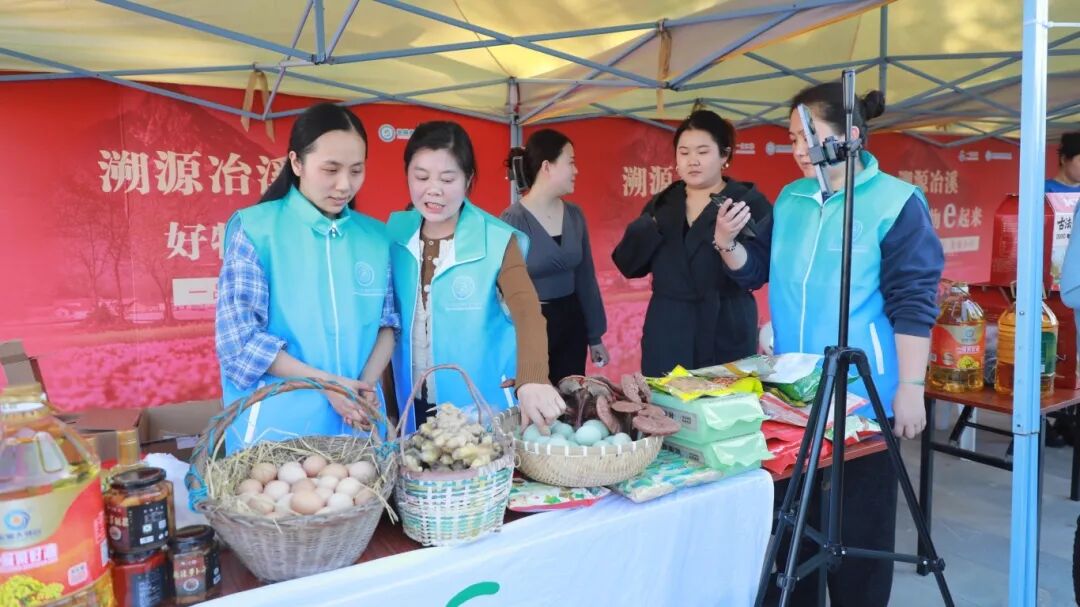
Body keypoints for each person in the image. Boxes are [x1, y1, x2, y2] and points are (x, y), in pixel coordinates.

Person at [719, 83, 944, 606]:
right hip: (794, 392)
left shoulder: (896, 203)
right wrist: (726, 243)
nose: (799, 149)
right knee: (796, 528)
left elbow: (913, 303)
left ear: (851, 136)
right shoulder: (792, 198)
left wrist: (911, 388)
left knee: (860, 527)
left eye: (808, 136)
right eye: (792, 138)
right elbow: (755, 271)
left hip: (865, 393)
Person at [215, 103, 398, 455]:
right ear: (296, 163)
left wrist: (362, 388)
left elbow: (387, 324)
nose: (345, 185)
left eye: (356, 170)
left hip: (356, 428)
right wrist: (328, 384)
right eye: (330, 169)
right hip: (274, 433)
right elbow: (240, 343)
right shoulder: (256, 230)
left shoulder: (375, 237)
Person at [386, 121, 566, 434]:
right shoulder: (394, 233)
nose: (434, 189)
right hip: (409, 399)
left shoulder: (496, 239)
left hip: (479, 404)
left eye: (447, 179)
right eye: (421, 176)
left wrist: (533, 378)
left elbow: (527, 310)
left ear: (468, 179)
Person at [612, 110, 772, 377]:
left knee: (724, 401)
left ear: (724, 155)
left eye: (703, 152)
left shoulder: (748, 203)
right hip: (668, 329)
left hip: (726, 327)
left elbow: (756, 273)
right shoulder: (663, 203)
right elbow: (629, 265)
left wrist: (727, 243)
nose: (692, 161)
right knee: (666, 400)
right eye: (684, 152)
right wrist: (648, 228)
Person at [501, 129, 610, 383]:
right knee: (536, 396)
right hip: (530, 325)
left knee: (572, 396)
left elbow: (586, 278)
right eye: (570, 162)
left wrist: (595, 337)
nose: (576, 170)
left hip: (572, 324)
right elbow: (503, 289)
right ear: (547, 167)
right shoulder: (512, 220)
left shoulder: (575, 215)